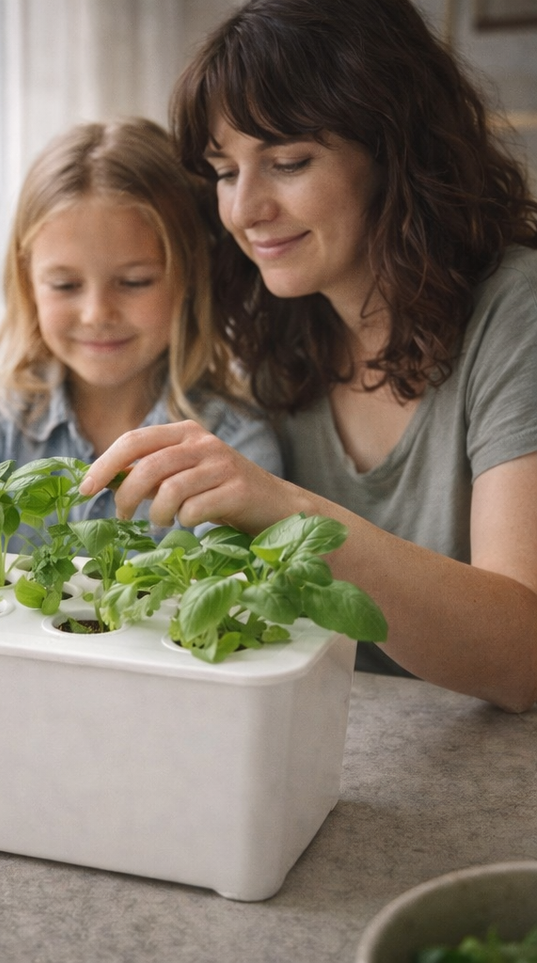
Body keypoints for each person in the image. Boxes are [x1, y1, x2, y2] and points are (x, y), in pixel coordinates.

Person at [76, 0, 537, 711]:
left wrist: (283, 508)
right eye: (225, 172)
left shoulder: (516, 310)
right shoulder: (274, 327)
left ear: (394, 152)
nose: (243, 209)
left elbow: (524, 657)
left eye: (286, 162)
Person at [0, 118, 282, 595]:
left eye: (134, 281)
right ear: (28, 282)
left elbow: (239, 604)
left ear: (190, 276)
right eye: (65, 285)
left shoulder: (233, 444)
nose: (98, 313)